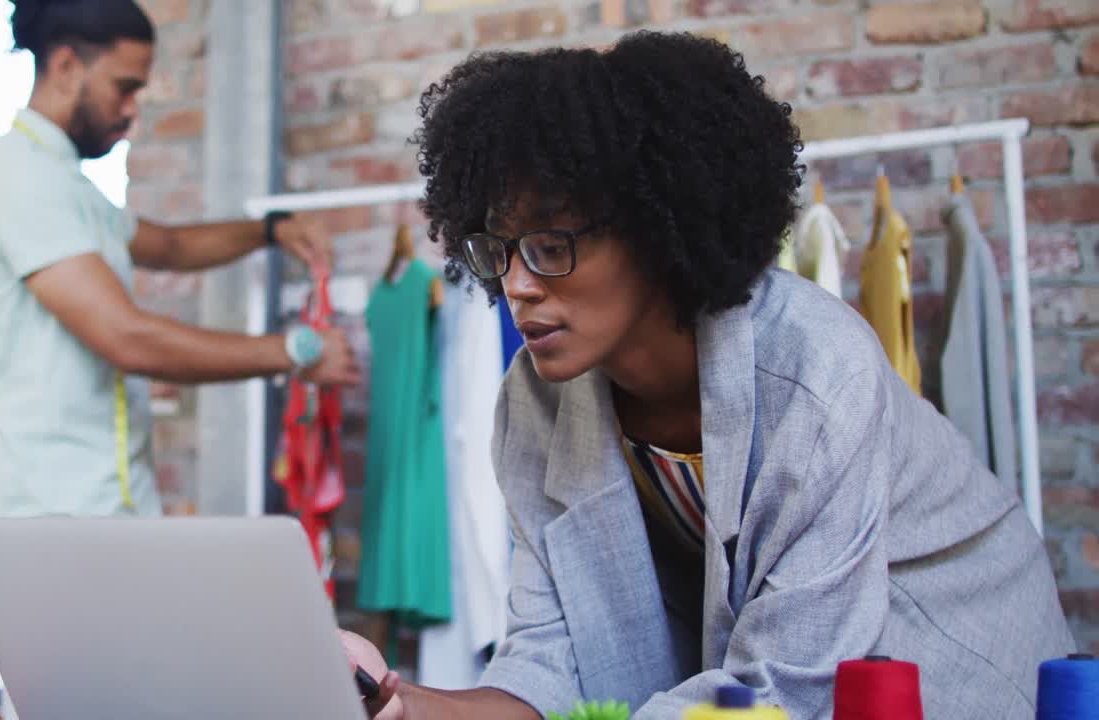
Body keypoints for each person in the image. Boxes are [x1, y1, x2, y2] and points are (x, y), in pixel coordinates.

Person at [343, 31, 1073, 719]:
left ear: (658, 229)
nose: (515, 286)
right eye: (499, 249)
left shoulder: (815, 371)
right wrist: (397, 700)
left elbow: (790, 686)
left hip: (948, 645)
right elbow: (548, 670)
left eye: (550, 244)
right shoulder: (535, 400)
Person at [0, 0, 360, 520]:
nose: (131, 111)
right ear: (64, 67)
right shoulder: (22, 178)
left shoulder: (68, 187)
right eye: (124, 88)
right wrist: (297, 349)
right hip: (46, 515)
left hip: (110, 505)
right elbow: (126, 337)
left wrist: (270, 230)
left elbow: (169, 247)